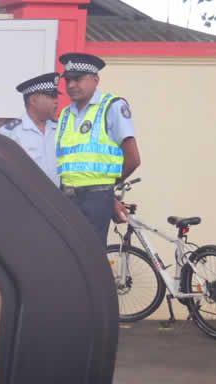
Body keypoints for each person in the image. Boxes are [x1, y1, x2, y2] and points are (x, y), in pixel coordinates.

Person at [55, 52, 141, 243]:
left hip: (95, 197)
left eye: (78, 79)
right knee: (67, 253)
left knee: (90, 254)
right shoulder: (65, 114)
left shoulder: (112, 107)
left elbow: (133, 159)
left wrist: (107, 189)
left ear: (95, 80)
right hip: (67, 196)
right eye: (68, 80)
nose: (71, 85)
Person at [0, 72, 60, 183]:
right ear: (33, 100)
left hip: (57, 193)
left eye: (56, 96)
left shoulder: (60, 129)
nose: (56, 101)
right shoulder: (10, 134)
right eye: (51, 96)